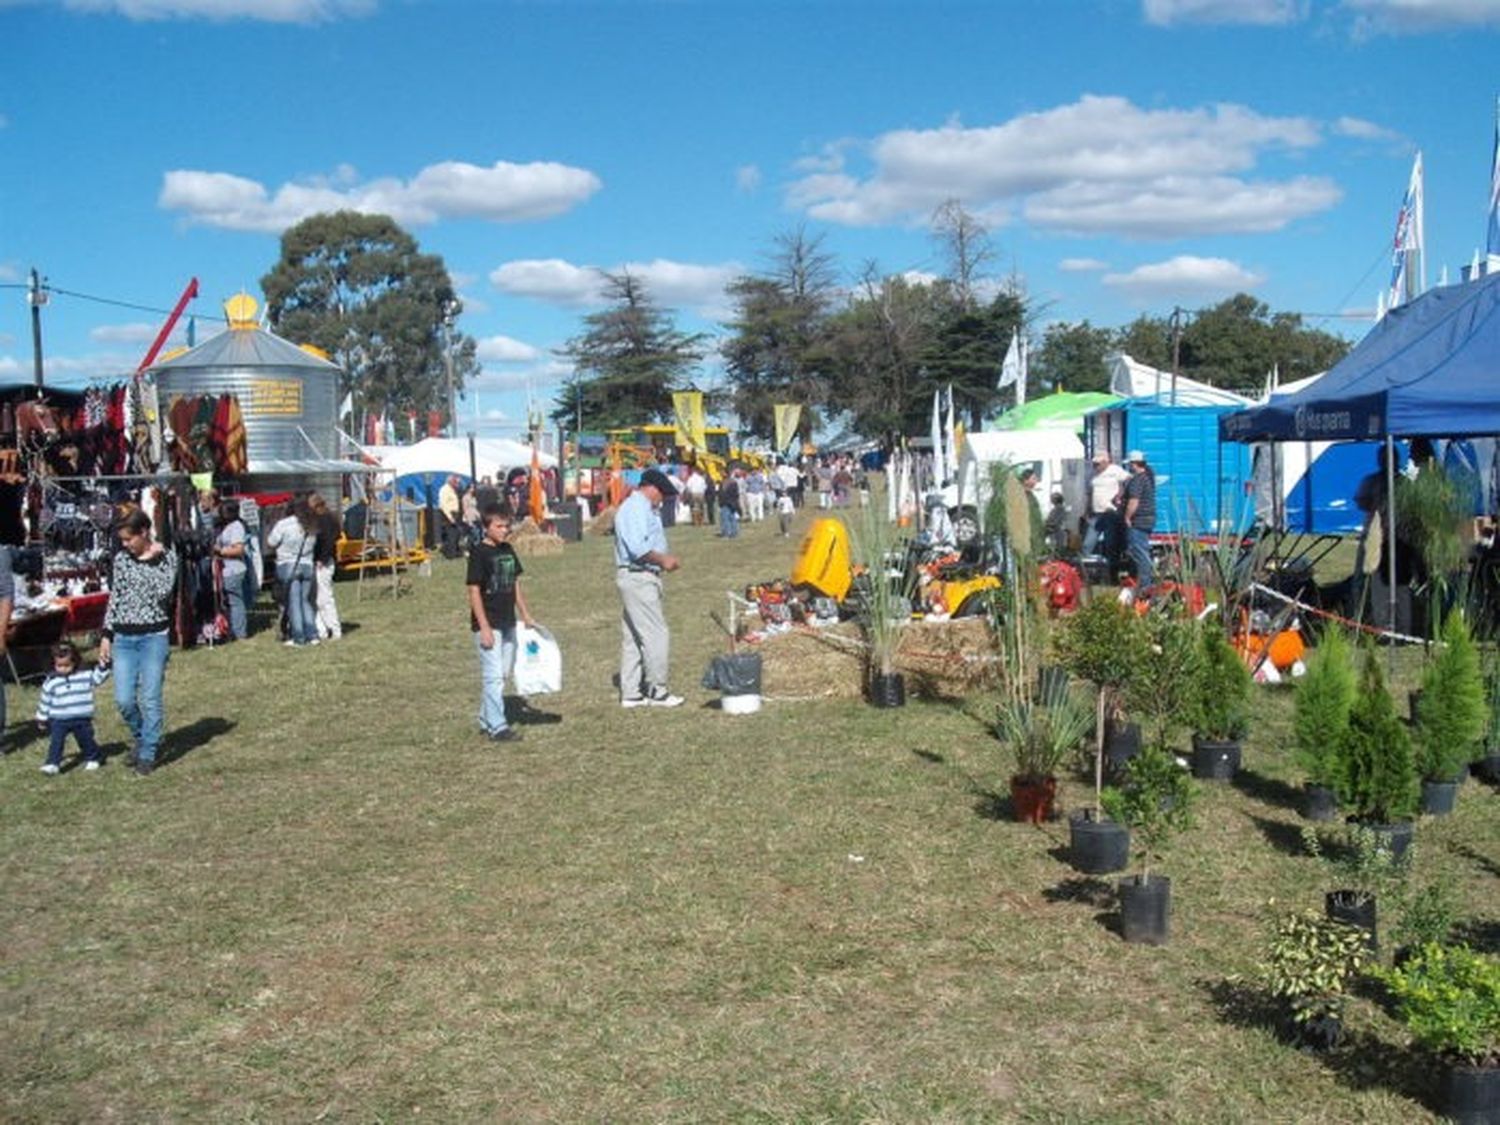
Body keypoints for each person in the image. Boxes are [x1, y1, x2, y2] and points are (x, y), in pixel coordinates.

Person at [100, 508, 178, 777]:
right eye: (122, 540)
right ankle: (142, 735)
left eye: (128, 539)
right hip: (123, 636)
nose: (125, 544)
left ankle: (148, 752)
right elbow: (116, 597)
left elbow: (161, 593)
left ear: (144, 532)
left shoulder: (167, 557)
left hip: (153, 637)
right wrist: (106, 635)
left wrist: (150, 560)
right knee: (123, 699)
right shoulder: (122, 559)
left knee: (151, 697)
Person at [615, 468, 683, 708]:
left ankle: (631, 692)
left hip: (639, 576)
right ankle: (658, 690)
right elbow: (637, 548)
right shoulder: (635, 508)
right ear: (651, 488)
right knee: (656, 634)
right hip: (638, 575)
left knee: (634, 637)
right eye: (662, 493)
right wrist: (663, 560)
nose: (662, 499)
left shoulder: (643, 509)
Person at [467, 502, 533, 743]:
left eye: (507, 525)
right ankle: (498, 726)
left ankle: (486, 717)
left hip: (508, 621)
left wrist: (524, 614)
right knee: (493, 675)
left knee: (503, 673)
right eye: (499, 526)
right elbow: (474, 590)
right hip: (489, 623)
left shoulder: (507, 550)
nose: (504, 530)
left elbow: (514, 583)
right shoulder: (479, 553)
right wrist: (483, 626)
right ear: (486, 527)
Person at [35, 640, 109, 775]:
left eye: (67, 665)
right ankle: (52, 763)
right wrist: (42, 718)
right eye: (59, 666)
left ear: (75, 661)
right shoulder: (51, 681)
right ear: (53, 664)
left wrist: (103, 667)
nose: (63, 669)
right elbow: (45, 700)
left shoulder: (84, 675)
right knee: (56, 742)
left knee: (86, 739)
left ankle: (94, 757)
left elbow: (98, 678)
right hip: (59, 719)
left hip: (81, 717)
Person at [265, 498, 318, 647]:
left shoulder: (284, 524)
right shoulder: (311, 524)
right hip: (307, 564)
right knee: (305, 601)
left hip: (288, 564)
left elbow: (271, 542)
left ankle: (298, 637)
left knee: (294, 602)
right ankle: (312, 634)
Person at [307, 492, 343, 641]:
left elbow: (328, 541)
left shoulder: (323, 520)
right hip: (326, 561)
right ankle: (323, 629)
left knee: (324, 597)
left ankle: (333, 628)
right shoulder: (331, 518)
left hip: (323, 562)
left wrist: (322, 558)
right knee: (319, 597)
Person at [212, 499, 250, 640]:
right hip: (226, 569)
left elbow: (238, 549)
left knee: (236, 601)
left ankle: (239, 633)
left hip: (234, 569)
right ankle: (231, 630)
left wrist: (220, 550)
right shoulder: (227, 526)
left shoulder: (237, 526)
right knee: (229, 601)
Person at [1084, 451, 1129, 561]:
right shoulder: (1093, 473)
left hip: (1110, 512)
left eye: (1098, 464)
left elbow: (1128, 481)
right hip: (1096, 512)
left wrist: (1119, 496)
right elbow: (1090, 492)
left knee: (1110, 542)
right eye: (1095, 463)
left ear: (1106, 462)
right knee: (1088, 542)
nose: (1096, 466)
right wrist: (1087, 508)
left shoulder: (1115, 470)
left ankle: (1112, 565)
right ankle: (1086, 563)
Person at [1121, 450, 1157, 588]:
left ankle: (1145, 585)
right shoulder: (1147, 477)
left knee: (1139, 552)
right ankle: (1144, 581)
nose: (1129, 466)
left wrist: (1127, 517)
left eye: (1130, 464)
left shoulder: (1137, 480)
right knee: (1142, 551)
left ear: (1134, 464)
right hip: (1148, 519)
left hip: (1138, 520)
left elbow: (1134, 501)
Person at [438, 475, 462, 558]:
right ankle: (450, 554)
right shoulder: (444, 490)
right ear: (450, 481)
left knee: (456, 534)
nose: (457, 483)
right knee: (450, 534)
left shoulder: (453, 490)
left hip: (454, 513)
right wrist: (450, 517)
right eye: (455, 482)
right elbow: (444, 505)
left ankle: (455, 552)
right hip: (448, 514)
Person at [719, 469, 741, 538]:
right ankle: (731, 532)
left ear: (726, 473)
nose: (721, 474)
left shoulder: (732, 482)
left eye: (722, 473)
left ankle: (729, 533)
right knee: (728, 518)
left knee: (729, 518)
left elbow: (735, 494)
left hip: (730, 503)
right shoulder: (722, 482)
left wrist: (733, 501)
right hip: (725, 503)